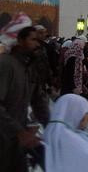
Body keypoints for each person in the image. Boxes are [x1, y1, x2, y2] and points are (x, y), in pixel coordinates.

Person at [0, 26, 49, 172]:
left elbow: (38, 100)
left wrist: (53, 127)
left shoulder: (28, 67)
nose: (37, 44)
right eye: (33, 39)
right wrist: (19, 132)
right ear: (20, 41)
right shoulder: (6, 65)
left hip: (17, 140)